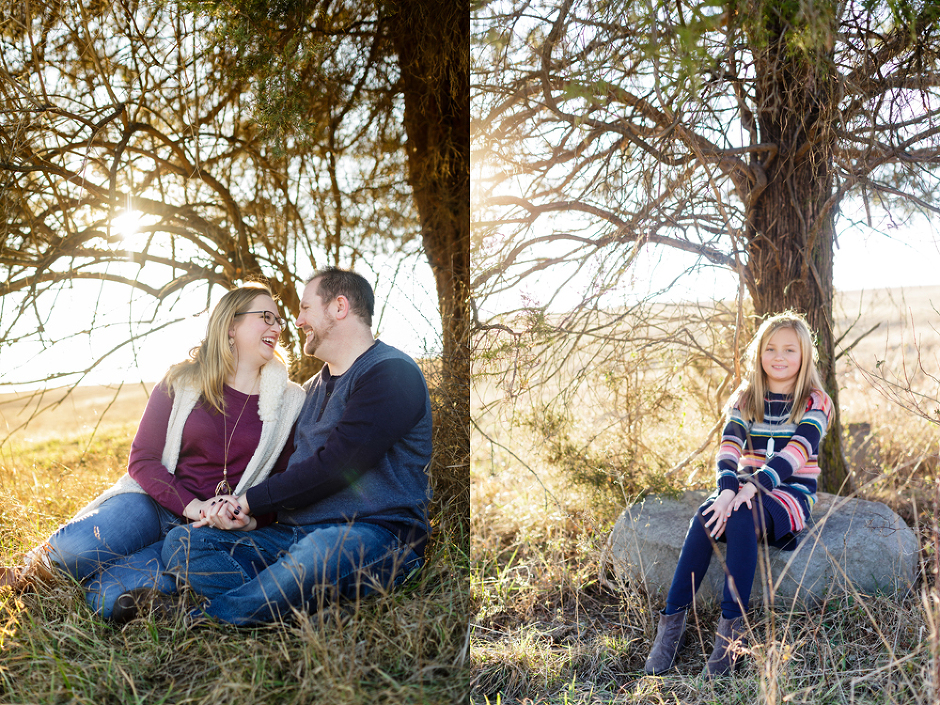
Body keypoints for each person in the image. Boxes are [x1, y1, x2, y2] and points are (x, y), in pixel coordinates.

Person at [0, 283, 305, 620]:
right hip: (152, 503)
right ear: (231, 326)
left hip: (203, 533)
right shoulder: (181, 381)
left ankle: (170, 592)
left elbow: (283, 485)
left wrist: (245, 520)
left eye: (278, 321)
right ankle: (23, 576)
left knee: (105, 598)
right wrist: (195, 505)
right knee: (74, 550)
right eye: (265, 317)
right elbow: (142, 459)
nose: (276, 327)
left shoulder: (291, 400)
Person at [155, 267, 432, 626]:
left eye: (304, 309)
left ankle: (209, 618)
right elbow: (291, 470)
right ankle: (292, 607)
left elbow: (337, 465)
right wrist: (251, 522)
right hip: (291, 534)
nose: (296, 321)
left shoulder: (391, 373)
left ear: (339, 307)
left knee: (319, 553)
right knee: (186, 542)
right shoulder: (312, 388)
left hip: (377, 536)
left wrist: (247, 501)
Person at [643, 311, 834, 678]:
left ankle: (731, 637)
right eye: (771, 349)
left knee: (743, 517)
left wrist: (750, 488)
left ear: (805, 355)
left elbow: (797, 451)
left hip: (788, 491)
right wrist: (727, 488)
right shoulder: (745, 397)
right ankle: (670, 629)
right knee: (705, 516)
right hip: (743, 485)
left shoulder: (815, 401)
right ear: (759, 354)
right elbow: (729, 445)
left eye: (789, 350)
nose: (779, 357)